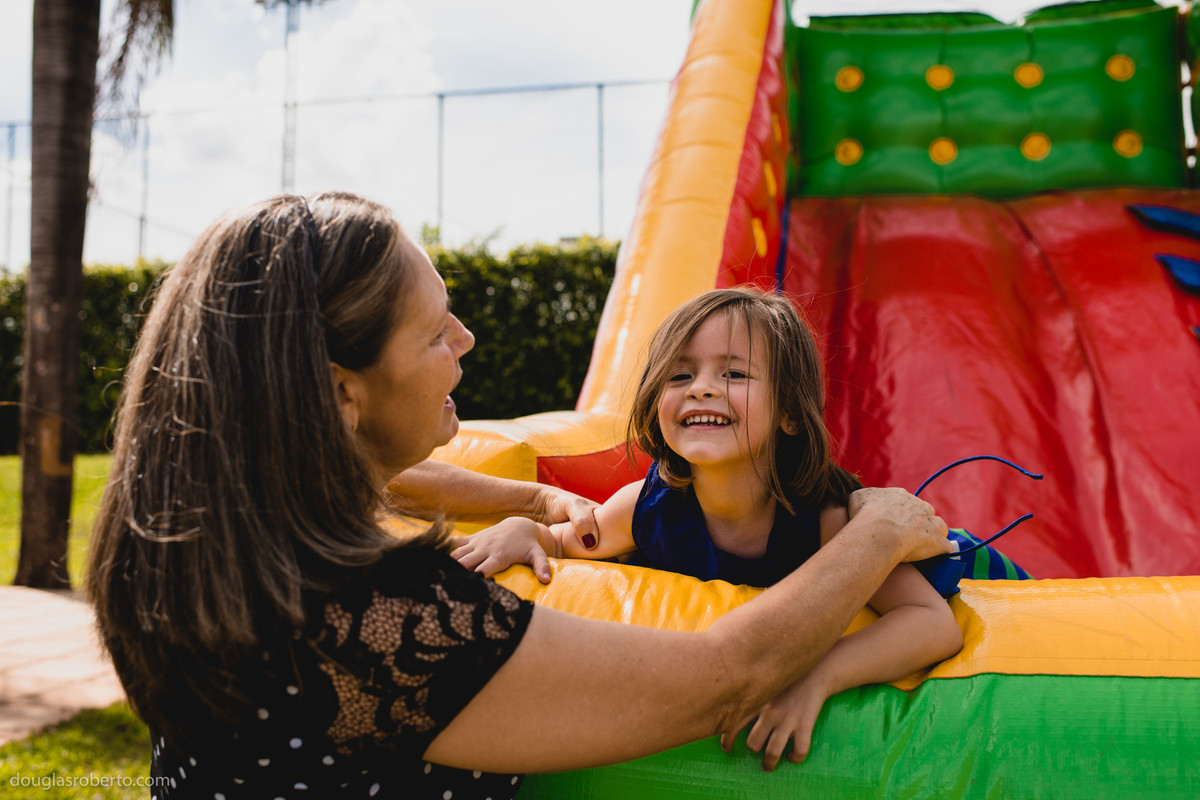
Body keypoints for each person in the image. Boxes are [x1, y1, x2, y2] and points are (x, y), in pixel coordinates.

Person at [87, 192, 953, 799]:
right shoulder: (391, 626)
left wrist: (531, 508)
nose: (465, 338)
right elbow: (726, 677)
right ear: (339, 398)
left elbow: (373, 471)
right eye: (436, 331)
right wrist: (880, 534)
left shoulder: (198, 556)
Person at [452, 287, 965, 770]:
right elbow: (564, 541)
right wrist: (525, 529)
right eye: (679, 377)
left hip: (956, 554)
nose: (700, 388)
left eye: (734, 375)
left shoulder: (829, 521)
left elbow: (931, 621)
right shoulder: (643, 508)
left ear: (789, 411)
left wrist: (817, 674)